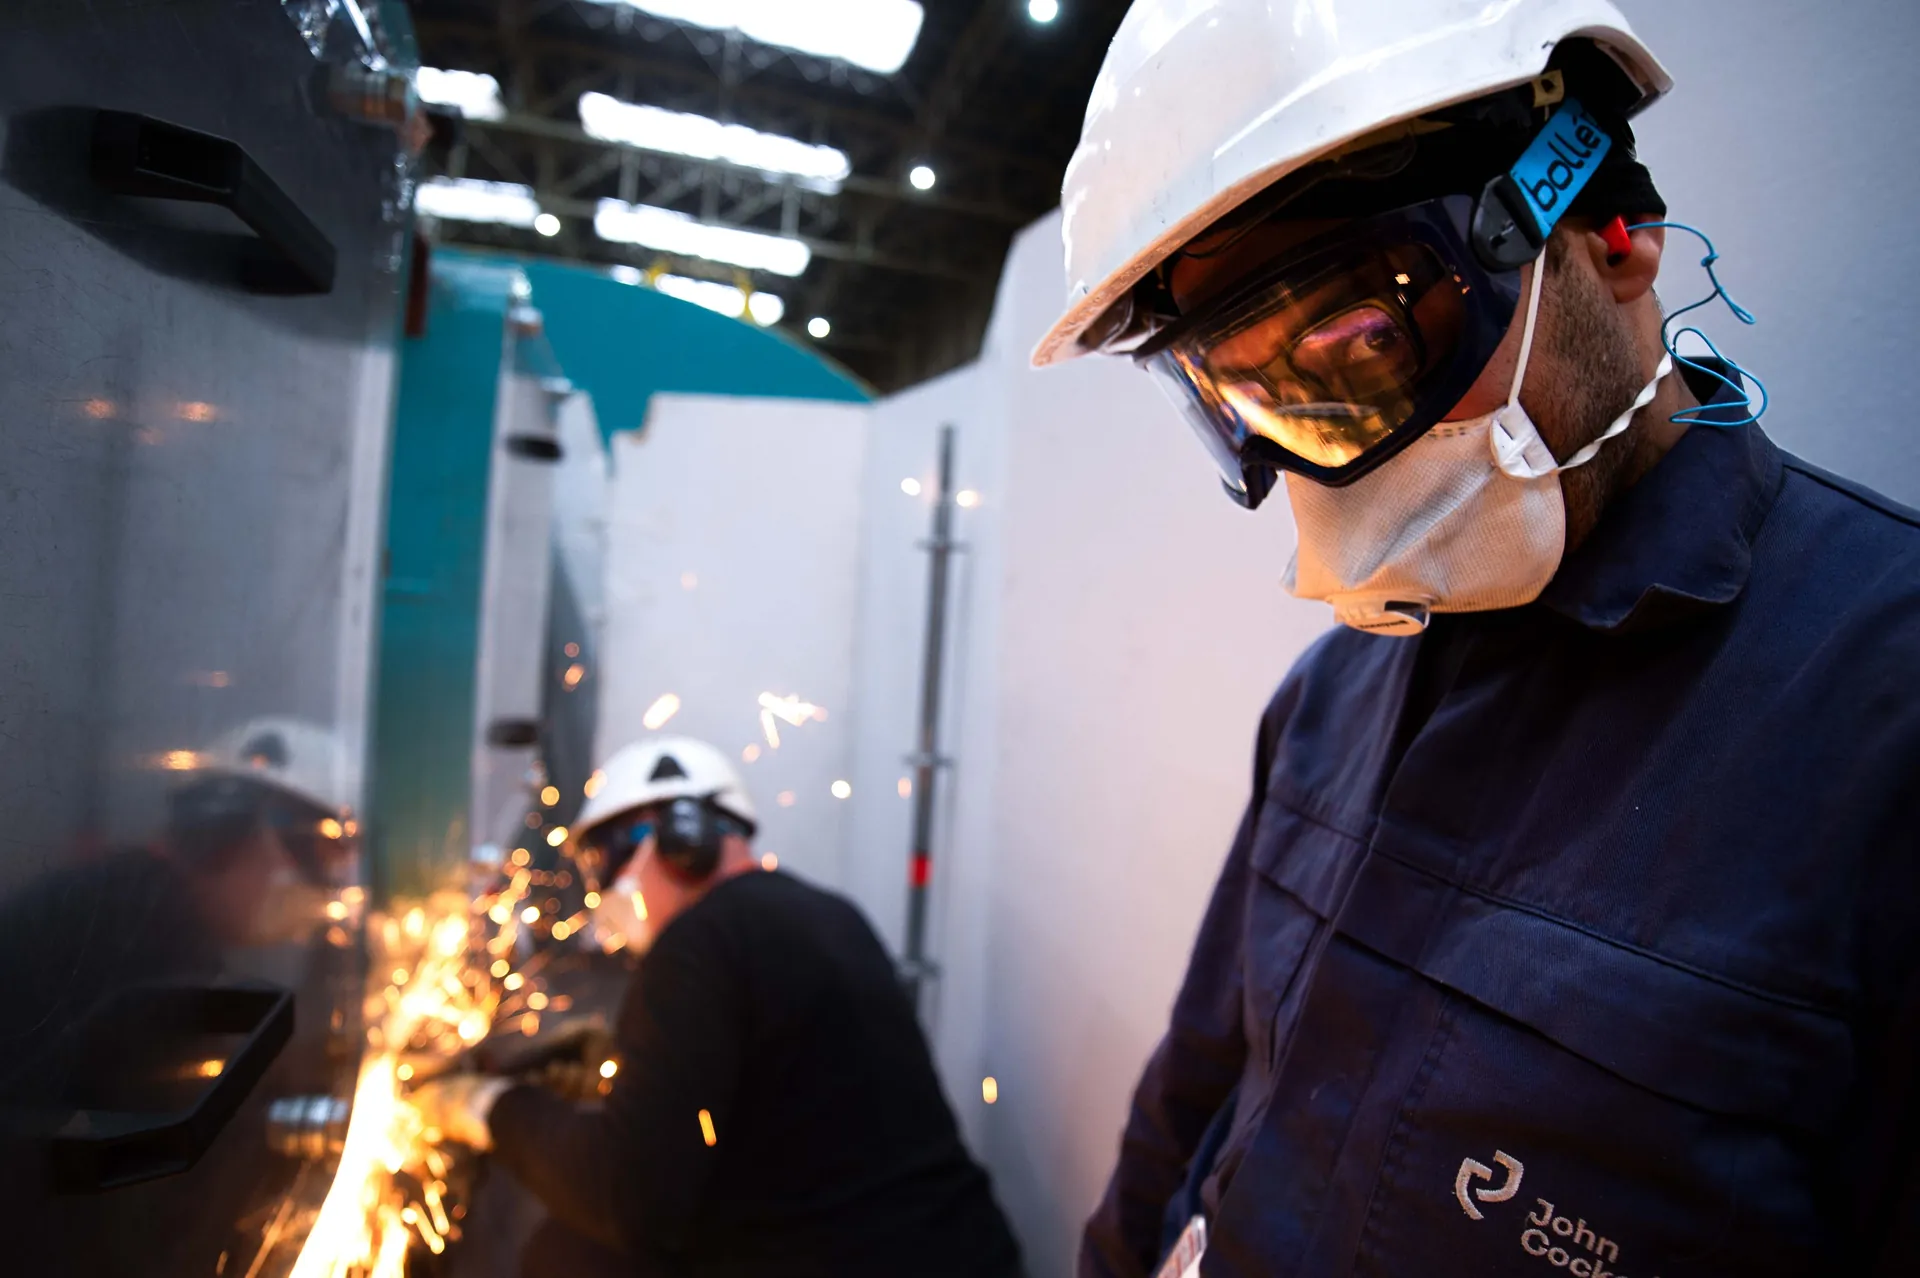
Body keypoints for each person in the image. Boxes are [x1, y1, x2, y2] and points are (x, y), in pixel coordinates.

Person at [1031, 2, 1920, 1275]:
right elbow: (1196, 1094)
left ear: (1612, 233)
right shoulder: (1330, 701)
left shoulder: (1883, 725)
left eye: (1366, 342)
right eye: (1256, 396)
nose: (1323, 464)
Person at [412, 735, 1022, 1278]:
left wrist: (491, 1108)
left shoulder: (696, 943)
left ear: (683, 838)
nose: (603, 892)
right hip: (964, 1255)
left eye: (605, 862)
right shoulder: (828, 914)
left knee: (573, 1255)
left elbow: (623, 1196)